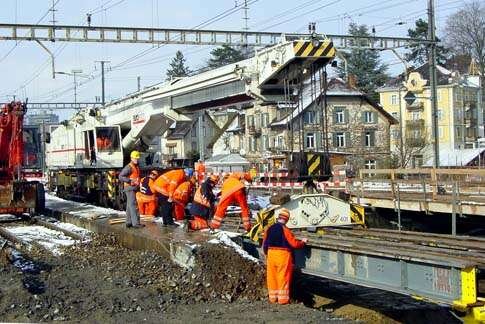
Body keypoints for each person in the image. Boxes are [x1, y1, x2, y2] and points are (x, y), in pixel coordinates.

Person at [263, 208, 307, 305]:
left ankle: (273, 298)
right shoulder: (285, 230)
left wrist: (267, 254)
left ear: (278, 218)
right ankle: (283, 300)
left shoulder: (269, 228)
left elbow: (265, 244)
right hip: (283, 256)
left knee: (272, 277)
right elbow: (294, 244)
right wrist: (303, 242)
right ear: (287, 219)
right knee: (283, 277)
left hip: (271, 255)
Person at [118, 151, 144, 228]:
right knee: (134, 205)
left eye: (137, 158)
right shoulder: (129, 167)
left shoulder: (136, 166)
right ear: (132, 158)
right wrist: (130, 181)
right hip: (130, 188)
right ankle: (136, 223)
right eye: (135, 158)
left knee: (130, 205)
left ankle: (129, 222)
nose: (137, 160)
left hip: (133, 188)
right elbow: (120, 176)